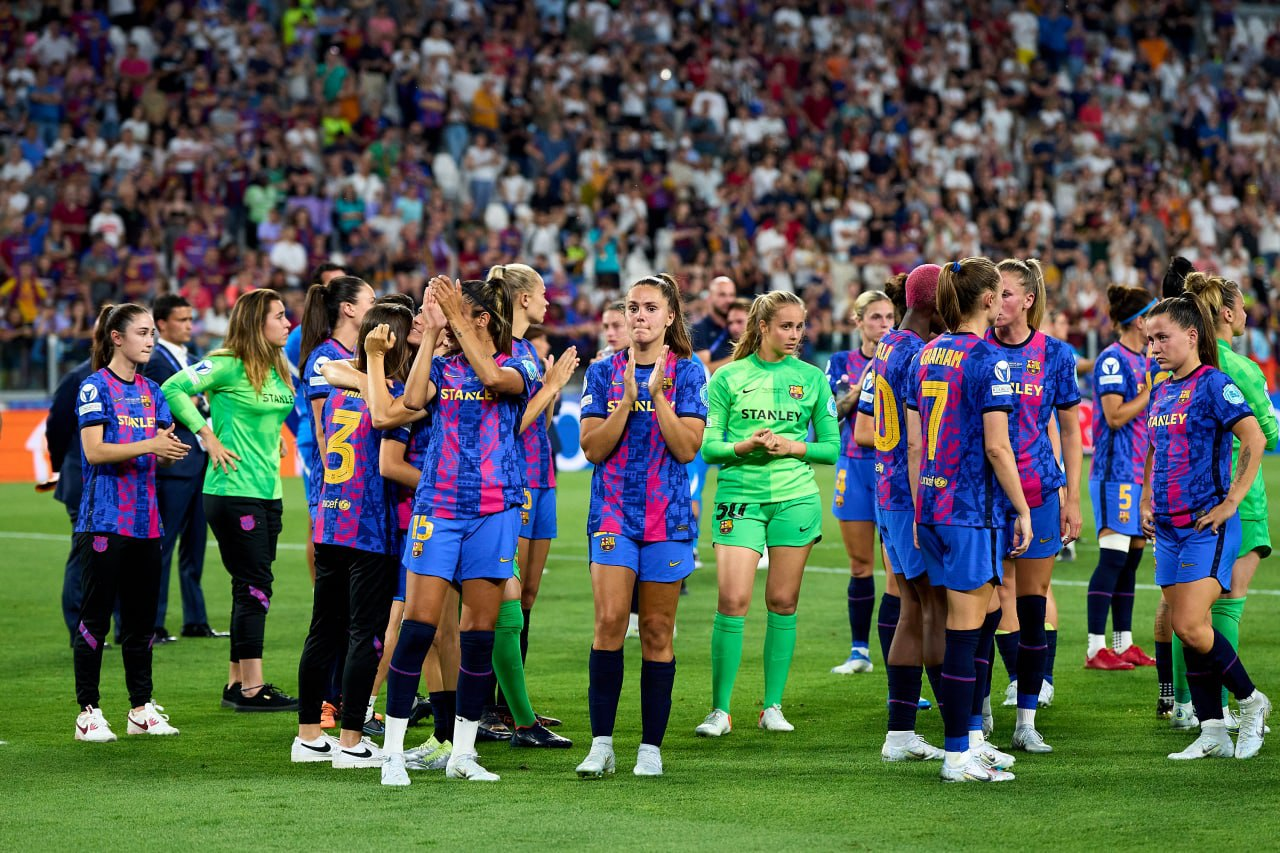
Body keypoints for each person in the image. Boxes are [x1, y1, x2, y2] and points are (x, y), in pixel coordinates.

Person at [379, 275, 539, 786]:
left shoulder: (523, 363)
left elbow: (493, 379)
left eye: (456, 311)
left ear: (482, 320)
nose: (446, 317)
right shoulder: (443, 367)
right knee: (419, 627)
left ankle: (463, 754)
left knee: (477, 636)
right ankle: (392, 754)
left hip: (495, 511)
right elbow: (408, 400)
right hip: (440, 509)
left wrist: (451, 318)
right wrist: (428, 333)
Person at [574, 274, 707, 778]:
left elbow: (687, 448)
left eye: (650, 308)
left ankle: (650, 747)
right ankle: (602, 744)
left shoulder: (689, 373)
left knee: (656, 629)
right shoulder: (603, 372)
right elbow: (591, 448)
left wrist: (658, 396)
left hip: (667, 517)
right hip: (612, 514)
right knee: (610, 622)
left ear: (670, 316)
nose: (639, 316)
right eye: (633, 308)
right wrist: (628, 400)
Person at [906, 257, 1030, 783]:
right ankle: (957, 754)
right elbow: (999, 448)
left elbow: (916, 439)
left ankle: (974, 741)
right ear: (985, 300)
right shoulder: (989, 360)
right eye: (1001, 293)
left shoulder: (927, 352)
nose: (1004, 301)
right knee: (965, 632)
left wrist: (917, 507)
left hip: (932, 507)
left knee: (978, 625)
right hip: (970, 512)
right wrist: (1023, 508)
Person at [695, 290, 839, 737]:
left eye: (800, 326)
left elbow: (831, 449)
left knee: (782, 601)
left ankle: (771, 706)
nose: (795, 335)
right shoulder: (727, 378)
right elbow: (708, 446)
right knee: (732, 601)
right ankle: (720, 710)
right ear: (763, 328)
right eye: (786, 326)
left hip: (795, 499)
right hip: (740, 497)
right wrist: (746, 445)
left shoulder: (813, 378)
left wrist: (792, 446)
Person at [1139, 296, 1270, 760]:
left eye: (1163, 337)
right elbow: (1155, 448)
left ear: (1192, 336)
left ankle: (1252, 702)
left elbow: (1254, 437)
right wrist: (1145, 499)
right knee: (1183, 628)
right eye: (1150, 339)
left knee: (1192, 625)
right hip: (1168, 527)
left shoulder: (1214, 384)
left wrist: (1232, 501)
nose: (1154, 347)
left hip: (1204, 526)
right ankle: (1212, 730)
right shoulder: (1160, 390)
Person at [161, 289, 298, 712]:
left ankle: (236, 683)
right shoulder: (225, 364)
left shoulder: (275, 367)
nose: (287, 322)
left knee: (250, 585)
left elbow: (266, 416)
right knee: (256, 587)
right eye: (279, 316)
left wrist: (269, 437)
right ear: (258, 323)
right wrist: (207, 435)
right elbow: (173, 386)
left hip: (268, 492)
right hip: (232, 491)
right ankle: (253, 689)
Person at [292, 303, 415, 768]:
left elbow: (329, 366)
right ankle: (350, 742)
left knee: (324, 628)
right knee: (366, 634)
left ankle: (307, 737)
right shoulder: (393, 395)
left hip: (330, 518)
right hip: (369, 526)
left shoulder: (344, 387)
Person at [73, 303, 189, 741]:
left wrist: (167, 447)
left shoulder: (153, 391)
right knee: (96, 619)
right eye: (142, 333)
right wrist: (150, 444)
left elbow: (157, 444)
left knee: (142, 622)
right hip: (102, 519)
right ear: (117, 338)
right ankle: (88, 711)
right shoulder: (93, 387)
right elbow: (96, 452)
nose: (150, 341)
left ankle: (141, 708)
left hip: (146, 523)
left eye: (153, 334)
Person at [1168, 273, 1278, 728]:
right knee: (1227, 602)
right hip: (1239, 498)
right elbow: (1266, 434)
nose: (1249, 311)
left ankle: (1185, 706)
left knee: (1186, 610)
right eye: (1243, 305)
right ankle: (1235, 707)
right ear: (1228, 313)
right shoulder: (1239, 368)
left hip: (1190, 495)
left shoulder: (1189, 368)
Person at [985, 258, 1082, 753]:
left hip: (1040, 492)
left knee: (1033, 601)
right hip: (984, 496)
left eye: (1005, 293)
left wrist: (1072, 498)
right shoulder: (975, 350)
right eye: (992, 293)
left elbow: (1069, 429)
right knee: (984, 602)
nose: (995, 302)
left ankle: (1025, 720)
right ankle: (979, 715)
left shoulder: (1057, 356)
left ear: (1027, 300)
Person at [854, 264, 947, 760]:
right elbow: (919, 439)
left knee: (914, 607)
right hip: (911, 495)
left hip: (885, 490)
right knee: (935, 609)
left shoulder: (887, 343)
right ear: (935, 304)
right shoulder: (919, 354)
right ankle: (959, 735)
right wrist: (925, 506)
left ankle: (901, 734)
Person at [487, 263, 578, 743]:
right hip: (511, 482)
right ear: (522, 298)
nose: (547, 300)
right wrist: (551, 386)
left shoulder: (523, 349)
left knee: (526, 598)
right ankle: (488, 707)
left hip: (540, 481)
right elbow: (512, 426)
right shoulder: (497, 352)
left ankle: (511, 705)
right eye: (542, 292)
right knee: (502, 599)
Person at [1086, 285, 1159, 672]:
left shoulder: (1144, 359)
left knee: (1130, 562)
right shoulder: (1113, 360)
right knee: (1112, 560)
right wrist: (1150, 391)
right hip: (1114, 474)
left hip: (1136, 475)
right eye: (1154, 315)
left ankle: (1123, 642)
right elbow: (1114, 416)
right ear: (1140, 320)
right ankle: (1095, 647)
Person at [826, 289, 894, 675]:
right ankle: (859, 652)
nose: (884, 325)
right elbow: (831, 412)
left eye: (889, 317)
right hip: (853, 467)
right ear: (858, 321)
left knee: (897, 569)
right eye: (876, 318)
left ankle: (897, 654)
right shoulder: (841, 362)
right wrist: (861, 387)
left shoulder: (901, 357)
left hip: (891, 469)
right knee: (859, 565)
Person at [144, 294, 220, 642]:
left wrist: (196, 400)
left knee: (195, 543)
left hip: (199, 460)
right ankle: (152, 623)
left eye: (191, 319)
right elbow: (162, 402)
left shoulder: (191, 359)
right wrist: (192, 400)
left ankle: (195, 619)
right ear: (162, 324)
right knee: (163, 543)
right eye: (182, 319)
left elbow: (200, 401)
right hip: (174, 461)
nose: (190, 325)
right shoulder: (156, 361)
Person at [298, 273, 376, 582]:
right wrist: (336, 481)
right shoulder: (325, 358)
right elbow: (322, 429)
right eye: (371, 302)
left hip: (363, 478)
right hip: (340, 480)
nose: (376, 307)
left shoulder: (364, 354)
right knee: (340, 575)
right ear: (348, 308)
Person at [48, 353, 96, 646]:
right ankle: (80, 629)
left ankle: (113, 627)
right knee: (84, 553)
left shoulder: (134, 379)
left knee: (117, 554)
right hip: (81, 476)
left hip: (115, 480)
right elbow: (57, 426)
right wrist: (63, 466)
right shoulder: (78, 378)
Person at [695, 297, 750, 375]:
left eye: (739, 321)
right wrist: (739, 356)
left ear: (752, 320)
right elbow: (704, 371)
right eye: (730, 323)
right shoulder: (724, 345)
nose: (733, 328)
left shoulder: (764, 345)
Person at [689, 275, 737, 357]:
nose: (728, 300)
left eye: (731, 295)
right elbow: (704, 367)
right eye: (722, 295)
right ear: (710, 297)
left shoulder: (739, 327)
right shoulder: (698, 330)